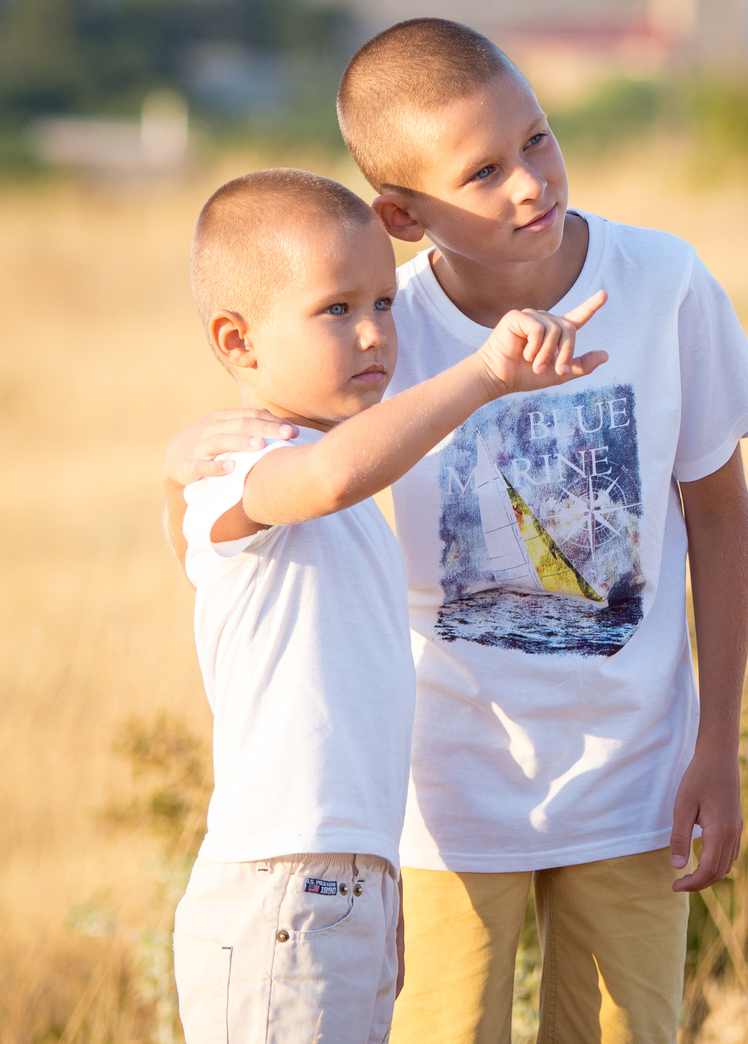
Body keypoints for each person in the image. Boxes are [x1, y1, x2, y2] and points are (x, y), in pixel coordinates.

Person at [166, 19, 748, 1044]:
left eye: (536, 139)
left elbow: (719, 516)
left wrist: (716, 742)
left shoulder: (666, 285)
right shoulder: (375, 337)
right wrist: (178, 456)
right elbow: (275, 493)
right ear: (403, 213)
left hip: (633, 787)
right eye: (484, 170)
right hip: (437, 809)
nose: (531, 181)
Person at [168, 166, 608, 1044]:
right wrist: (484, 373)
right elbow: (326, 478)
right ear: (239, 341)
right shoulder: (246, 467)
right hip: (285, 885)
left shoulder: (293, 480)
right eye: (336, 309)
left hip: (349, 883)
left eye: (383, 302)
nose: (374, 331)